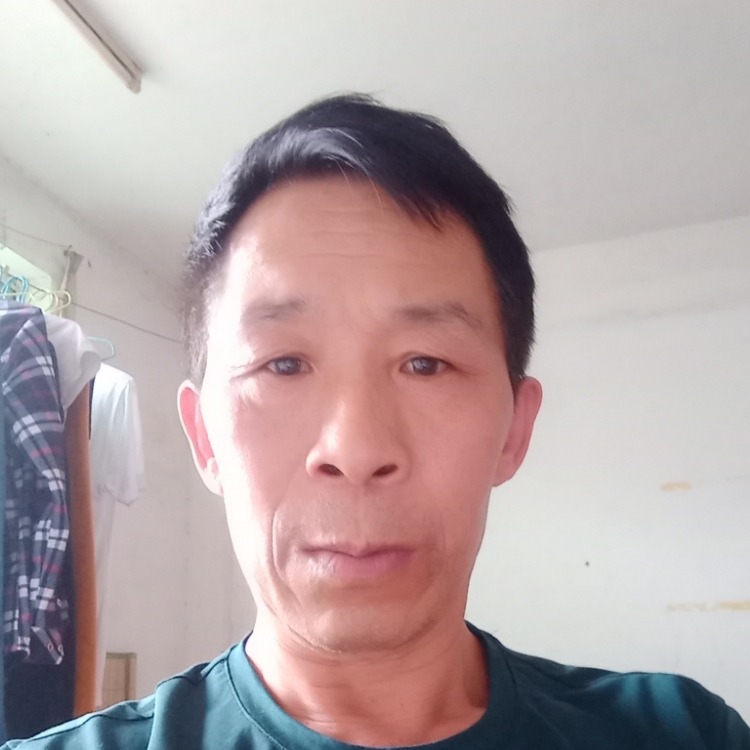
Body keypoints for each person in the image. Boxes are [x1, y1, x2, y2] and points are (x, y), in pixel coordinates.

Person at [4, 94, 748, 749]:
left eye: (425, 363)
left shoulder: (681, 734)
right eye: (284, 364)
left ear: (514, 432)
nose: (355, 449)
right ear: (205, 439)